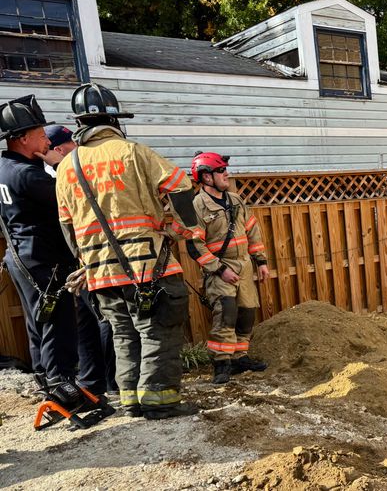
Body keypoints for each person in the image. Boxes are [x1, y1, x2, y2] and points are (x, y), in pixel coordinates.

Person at [55, 83, 203, 420]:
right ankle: (160, 400)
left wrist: (88, 260)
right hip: (148, 266)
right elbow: (179, 187)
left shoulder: (67, 166)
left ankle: (131, 400)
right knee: (158, 330)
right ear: (114, 120)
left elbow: (67, 224)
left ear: (80, 123)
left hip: (100, 272)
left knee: (123, 334)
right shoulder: (133, 152)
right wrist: (184, 229)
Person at [0, 95, 105, 408]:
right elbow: (72, 196)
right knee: (58, 325)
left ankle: (48, 384)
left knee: (39, 325)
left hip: (21, 258)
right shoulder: (28, 175)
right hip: (44, 260)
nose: (46, 137)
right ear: (22, 139)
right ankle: (64, 392)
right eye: (40, 133)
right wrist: (59, 163)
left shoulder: (5, 168)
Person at [45, 124, 119, 397]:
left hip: (77, 261)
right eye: (71, 146)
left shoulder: (59, 174)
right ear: (60, 149)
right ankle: (113, 383)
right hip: (87, 260)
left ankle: (92, 381)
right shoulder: (60, 176)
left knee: (88, 322)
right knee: (106, 319)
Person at [187, 152, 269, 384]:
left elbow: (252, 231)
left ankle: (239, 357)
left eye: (225, 169)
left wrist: (260, 261)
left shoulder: (236, 200)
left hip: (243, 266)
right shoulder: (198, 205)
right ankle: (222, 363)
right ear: (206, 177)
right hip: (220, 270)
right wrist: (219, 269)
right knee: (226, 313)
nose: (227, 174)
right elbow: (195, 246)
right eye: (221, 170)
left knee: (247, 312)